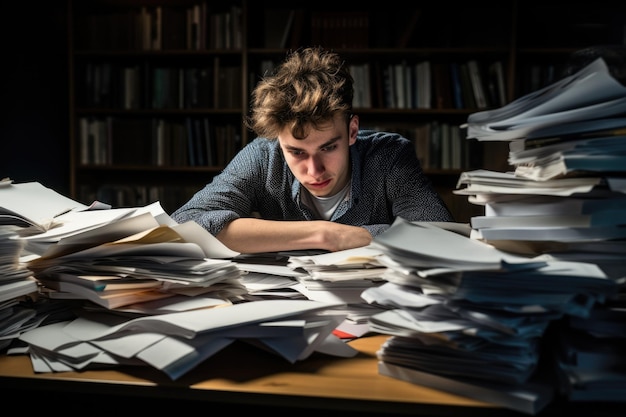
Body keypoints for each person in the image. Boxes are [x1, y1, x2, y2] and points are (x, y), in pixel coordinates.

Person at [171, 46, 453, 253]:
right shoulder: (262, 156)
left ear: (352, 130)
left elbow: (439, 236)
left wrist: (346, 237)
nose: (314, 170)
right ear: (279, 142)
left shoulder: (389, 157)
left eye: (328, 147)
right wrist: (325, 234)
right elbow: (184, 224)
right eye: (296, 152)